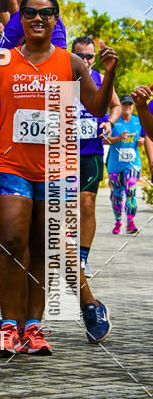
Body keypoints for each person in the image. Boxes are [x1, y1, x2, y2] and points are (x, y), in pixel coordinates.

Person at [0, 0, 117, 355]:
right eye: (30, 12)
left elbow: (94, 104)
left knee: (44, 248)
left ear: (55, 20)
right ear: (23, 19)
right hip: (12, 164)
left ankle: (33, 326)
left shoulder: (71, 63)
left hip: (56, 168)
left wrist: (109, 76)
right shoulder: (3, 60)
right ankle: (9, 326)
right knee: (12, 242)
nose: (38, 18)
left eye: (46, 13)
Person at [73, 35, 120, 276]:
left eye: (89, 56)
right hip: (64, 152)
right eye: (80, 56)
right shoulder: (63, 75)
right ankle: (64, 253)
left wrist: (109, 123)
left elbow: (116, 105)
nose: (85, 60)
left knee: (87, 203)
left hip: (91, 151)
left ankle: (82, 258)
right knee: (62, 207)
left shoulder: (100, 78)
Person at [106, 95, 143, 234]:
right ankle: (118, 221)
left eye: (129, 104)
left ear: (133, 106)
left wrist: (141, 140)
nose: (127, 107)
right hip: (115, 166)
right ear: (120, 106)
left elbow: (146, 137)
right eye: (124, 104)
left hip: (132, 164)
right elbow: (105, 140)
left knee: (131, 191)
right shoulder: (114, 122)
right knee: (117, 195)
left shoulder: (138, 121)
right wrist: (118, 138)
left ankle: (131, 222)